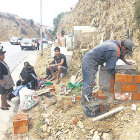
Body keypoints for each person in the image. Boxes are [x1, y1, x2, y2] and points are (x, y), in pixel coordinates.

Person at [81, 39, 135, 103]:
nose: (126, 54)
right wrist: (117, 76)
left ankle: (87, 99)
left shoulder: (115, 44)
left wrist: (126, 62)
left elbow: (120, 54)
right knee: (89, 83)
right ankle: (86, 102)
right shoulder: (114, 50)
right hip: (89, 62)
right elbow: (109, 68)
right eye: (127, 52)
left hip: (89, 59)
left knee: (90, 82)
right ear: (124, 47)